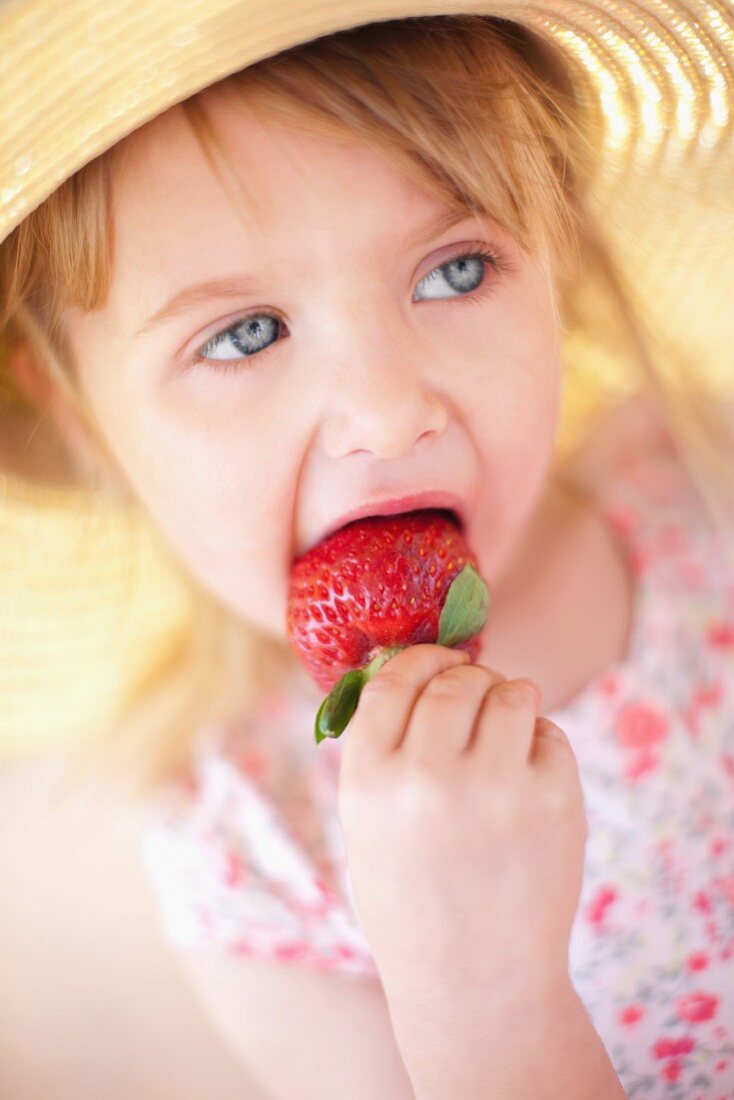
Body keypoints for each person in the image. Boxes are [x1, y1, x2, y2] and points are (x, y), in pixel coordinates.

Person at [1, 7, 733, 1099]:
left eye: (453, 270)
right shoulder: (254, 861)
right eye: (245, 332)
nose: (387, 413)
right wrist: (481, 997)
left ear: (557, 260)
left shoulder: (699, 481)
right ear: (77, 410)